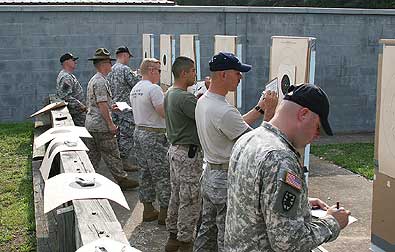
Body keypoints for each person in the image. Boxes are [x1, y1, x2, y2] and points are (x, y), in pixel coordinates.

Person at [224, 84, 351, 251]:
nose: (317, 136)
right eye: (317, 128)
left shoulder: (248, 139)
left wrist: (300, 204)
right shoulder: (280, 158)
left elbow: (252, 202)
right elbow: (288, 243)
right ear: (304, 114)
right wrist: (333, 223)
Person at [193, 52, 278, 252]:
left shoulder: (205, 101)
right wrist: (270, 113)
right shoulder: (223, 110)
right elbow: (257, 144)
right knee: (226, 236)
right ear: (223, 75)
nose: (241, 77)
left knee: (207, 230)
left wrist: (259, 108)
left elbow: (235, 126)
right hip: (224, 178)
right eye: (237, 73)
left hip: (210, 174)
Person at [84, 48, 138, 190]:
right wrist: (110, 124)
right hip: (101, 125)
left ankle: (88, 180)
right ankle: (122, 179)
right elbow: (101, 104)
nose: (110, 66)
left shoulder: (95, 79)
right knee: (112, 154)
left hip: (91, 124)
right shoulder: (101, 81)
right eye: (109, 62)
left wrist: (111, 107)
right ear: (103, 64)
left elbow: (100, 103)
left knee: (93, 156)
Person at [163, 56, 203, 252]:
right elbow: (203, 117)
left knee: (177, 196)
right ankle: (185, 242)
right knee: (190, 199)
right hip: (187, 154)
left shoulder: (171, 93)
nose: (195, 74)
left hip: (176, 151)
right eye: (193, 71)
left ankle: (173, 238)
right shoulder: (184, 97)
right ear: (184, 73)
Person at [130, 58, 170, 225]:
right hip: (154, 134)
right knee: (162, 174)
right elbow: (163, 113)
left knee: (144, 172)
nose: (160, 74)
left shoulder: (136, 88)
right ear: (152, 70)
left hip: (139, 132)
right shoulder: (153, 88)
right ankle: (165, 212)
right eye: (159, 71)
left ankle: (148, 209)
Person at [107, 46, 141, 172]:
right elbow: (136, 84)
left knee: (118, 135)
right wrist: (139, 75)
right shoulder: (125, 69)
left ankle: (118, 160)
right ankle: (124, 161)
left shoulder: (111, 69)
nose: (128, 60)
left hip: (114, 106)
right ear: (125, 55)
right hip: (124, 108)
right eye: (128, 57)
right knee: (127, 134)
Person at [56, 52, 86, 126]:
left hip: (77, 111)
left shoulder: (67, 75)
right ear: (66, 62)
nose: (75, 62)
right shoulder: (66, 77)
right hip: (76, 113)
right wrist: (80, 105)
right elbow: (65, 96)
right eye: (73, 60)